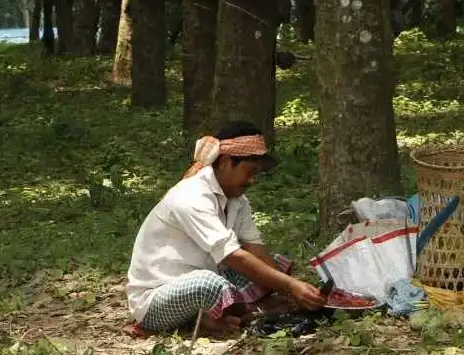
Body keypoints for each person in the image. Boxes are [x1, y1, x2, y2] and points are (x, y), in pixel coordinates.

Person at [126, 121, 326, 334]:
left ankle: (220, 315)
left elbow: (254, 250)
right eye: (249, 171)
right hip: (158, 298)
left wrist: (288, 289)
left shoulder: (238, 201)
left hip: (208, 278)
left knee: (271, 265)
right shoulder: (191, 196)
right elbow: (233, 256)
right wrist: (290, 286)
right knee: (207, 283)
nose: (251, 180)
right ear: (225, 163)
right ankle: (244, 311)